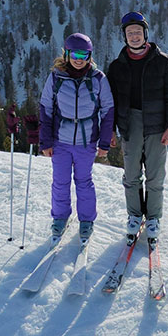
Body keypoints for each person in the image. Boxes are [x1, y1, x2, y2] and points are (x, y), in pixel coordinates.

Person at [106, 11, 168, 242]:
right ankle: (134, 216)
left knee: (155, 176)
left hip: (157, 125)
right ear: (124, 36)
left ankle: (154, 218)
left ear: (145, 34)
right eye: (130, 33)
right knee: (131, 175)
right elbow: (109, 102)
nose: (135, 36)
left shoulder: (162, 61)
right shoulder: (117, 66)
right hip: (129, 124)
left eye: (138, 32)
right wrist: (109, 129)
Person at [38, 33, 115, 243]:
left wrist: (104, 142)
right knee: (60, 182)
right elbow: (45, 108)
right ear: (66, 54)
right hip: (60, 141)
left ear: (89, 56)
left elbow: (107, 110)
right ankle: (60, 217)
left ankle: (87, 220)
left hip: (86, 141)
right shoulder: (56, 77)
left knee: (84, 181)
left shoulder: (98, 79)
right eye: (75, 54)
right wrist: (45, 141)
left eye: (84, 54)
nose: (79, 59)